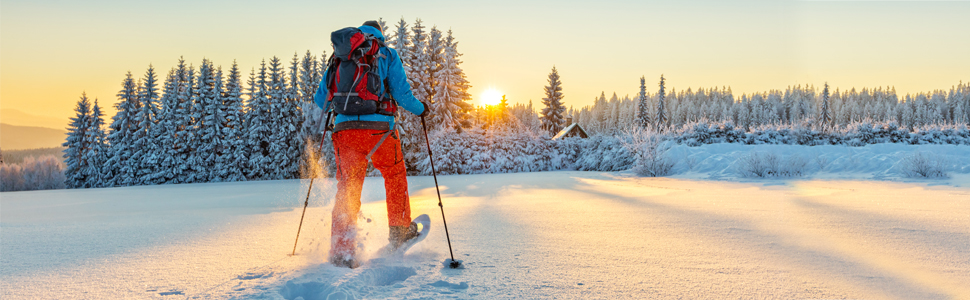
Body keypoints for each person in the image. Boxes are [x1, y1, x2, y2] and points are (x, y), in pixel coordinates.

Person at [314, 20, 429, 268]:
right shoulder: (386, 53)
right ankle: (399, 232)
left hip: (345, 133)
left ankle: (342, 250)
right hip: (380, 132)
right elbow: (401, 94)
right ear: (380, 34)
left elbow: (320, 99)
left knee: (348, 187)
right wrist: (421, 110)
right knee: (394, 175)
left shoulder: (340, 56)